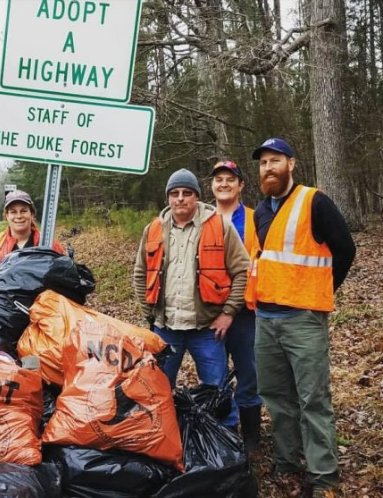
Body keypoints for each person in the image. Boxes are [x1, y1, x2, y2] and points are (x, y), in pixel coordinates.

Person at [246, 138, 356, 497]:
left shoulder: (314, 202)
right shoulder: (260, 211)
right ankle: (287, 463)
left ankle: (324, 477)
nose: (268, 168)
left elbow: (345, 248)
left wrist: (320, 294)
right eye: (263, 163)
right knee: (277, 397)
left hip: (303, 320)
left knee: (313, 400)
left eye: (275, 160)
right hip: (266, 319)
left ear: (291, 164)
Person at [133, 168, 250, 428]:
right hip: (165, 329)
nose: (181, 198)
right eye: (175, 193)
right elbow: (140, 273)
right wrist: (150, 315)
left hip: (206, 329)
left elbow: (242, 271)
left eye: (187, 193)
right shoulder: (153, 229)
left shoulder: (220, 226)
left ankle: (226, 443)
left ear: (196, 196)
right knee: (156, 391)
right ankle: (161, 440)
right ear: (168, 198)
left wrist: (228, 312)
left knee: (217, 390)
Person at [210, 160, 262, 452]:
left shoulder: (256, 219)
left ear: (241, 185)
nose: (224, 184)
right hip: (210, 311)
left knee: (248, 372)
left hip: (246, 312)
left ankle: (252, 435)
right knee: (215, 374)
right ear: (212, 186)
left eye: (230, 179)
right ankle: (224, 431)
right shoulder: (203, 218)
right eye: (219, 179)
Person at [0, 189, 66, 288]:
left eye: (23, 211)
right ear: (7, 216)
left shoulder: (48, 243)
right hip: (0, 302)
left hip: (39, 302)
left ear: (31, 214)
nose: (18, 216)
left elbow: (65, 276)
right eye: (13, 212)